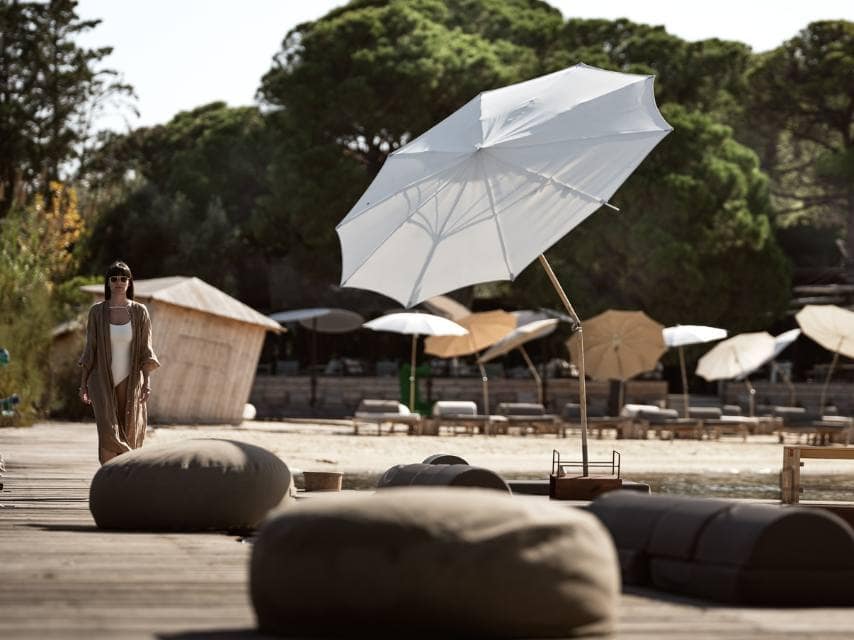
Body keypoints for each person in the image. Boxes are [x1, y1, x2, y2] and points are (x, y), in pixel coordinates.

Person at [78, 261, 160, 464]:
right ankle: (108, 476)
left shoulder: (140, 312)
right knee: (107, 430)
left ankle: (124, 476)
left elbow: (145, 350)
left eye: (123, 278)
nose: (119, 282)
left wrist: (147, 382)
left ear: (129, 282)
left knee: (129, 427)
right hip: (101, 380)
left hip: (130, 380)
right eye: (114, 278)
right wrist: (83, 384)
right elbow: (91, 350)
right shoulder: (97, 312)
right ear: (107, 282)